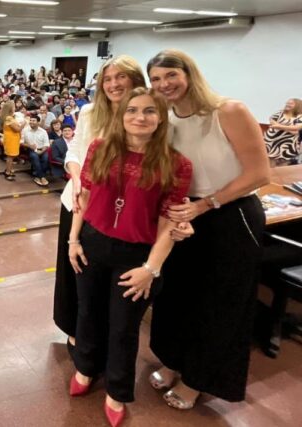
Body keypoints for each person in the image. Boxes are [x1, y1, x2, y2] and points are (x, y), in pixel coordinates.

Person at [146, 49, 270, 409]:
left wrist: (206, 204)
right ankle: (171, 361)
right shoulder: (166, 117)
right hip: (185, 213)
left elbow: (258, 174)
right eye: (155, 79)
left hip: (228, 214)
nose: (163, 84)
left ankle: (198, 379)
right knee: (175, 295)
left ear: (190, 74)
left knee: (217, 304)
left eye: (170, 75)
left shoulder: (228, 111)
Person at [67, 87, 193, 427]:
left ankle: (118, 391)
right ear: (121, 117)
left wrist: (151, 269)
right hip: (92, 242)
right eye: (132, 110)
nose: (140, 117)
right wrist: (73, 239)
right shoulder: (101, 147)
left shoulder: (176, 163)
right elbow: (86, 196)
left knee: (124, 326)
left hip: (136, 254)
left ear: (161, 118)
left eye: (149, 111)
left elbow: (169, 222)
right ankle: (85, 368)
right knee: (88, 312)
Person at [54, 55, 149, 359]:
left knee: (106, 276)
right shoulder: (90, 111)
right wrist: (75, 173)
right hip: (81, 201)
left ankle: (105, 335)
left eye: (121, 77)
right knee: (76, 269)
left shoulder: (145, 114)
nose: (113, 84)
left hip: (121, 209)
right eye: (107, 79)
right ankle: (74, 329)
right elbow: (76, 150)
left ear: (135, 80)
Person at [264, 98, 302, 166]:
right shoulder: (280, 112)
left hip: (287, 144)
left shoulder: (300, 116)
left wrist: (279, 126)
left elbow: (297, 128)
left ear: (297, 105)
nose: (288, 104)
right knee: (270, 163)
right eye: (287, 103)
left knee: (283, 164)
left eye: (291, 103)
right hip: (272, 142)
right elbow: (272, 120)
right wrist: (289, 129)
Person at [22, 115, 51, 186]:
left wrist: (41, 151)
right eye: (30, 120)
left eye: (33, 121)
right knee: (35, 157)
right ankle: (42, 177)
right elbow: (22, 142)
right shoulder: (25, 130)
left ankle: (38, 177)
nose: (31, 122)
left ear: (38, 122)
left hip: (42, 149)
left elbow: (46, 144)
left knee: (46, 157)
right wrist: (29, 146)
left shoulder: (43, 131)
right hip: (31, 149)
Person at [0, 100, 21, 181]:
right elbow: (17, 129)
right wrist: (24, 123)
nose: (15, 108)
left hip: (13, 139)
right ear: (10, 108)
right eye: (14, 106)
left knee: (12, 156)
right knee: (10, 157)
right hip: (10, 139)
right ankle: (7, 172)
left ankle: (9, 170)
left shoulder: (10, 117)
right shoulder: (8, 118)